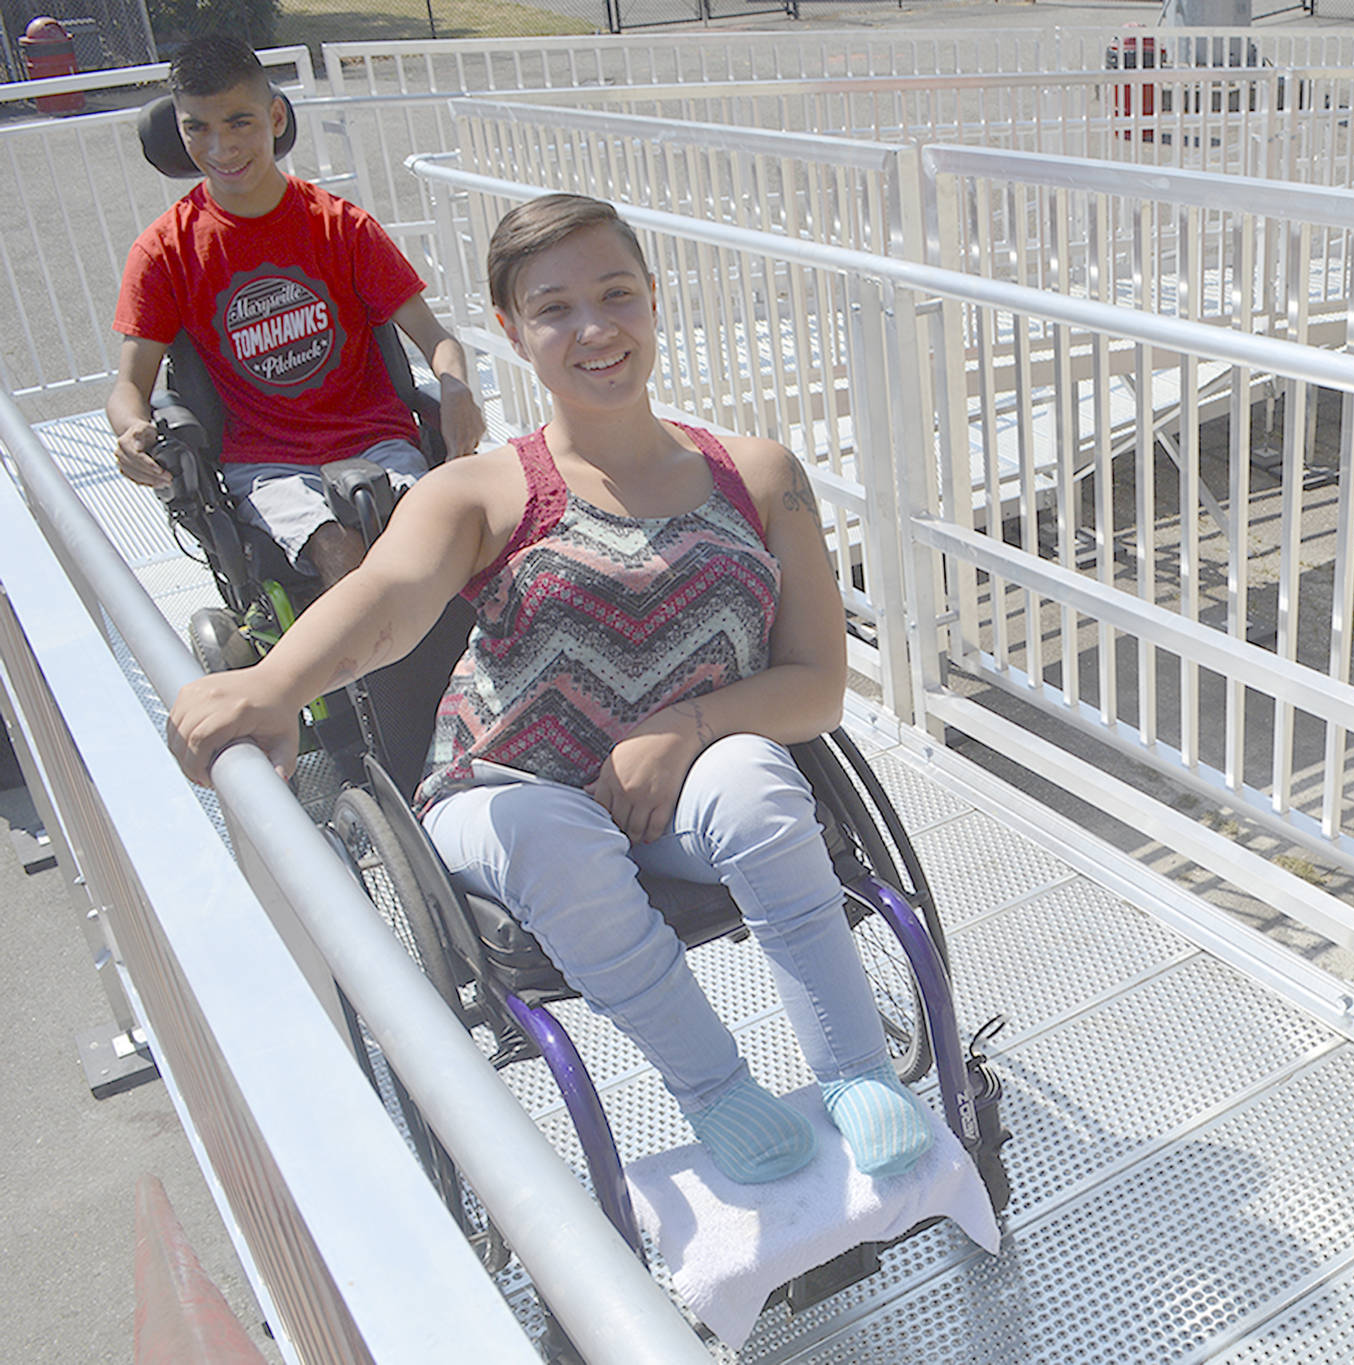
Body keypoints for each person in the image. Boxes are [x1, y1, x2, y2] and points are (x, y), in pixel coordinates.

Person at [168, 193, 933, 1184]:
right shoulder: (482, 490)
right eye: (556, 308)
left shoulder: (760, 473)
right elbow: (389, 601)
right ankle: (716, 1093)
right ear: (511, 330)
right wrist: (271, 683)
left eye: (616, 294)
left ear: (653, 299)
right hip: (504, 796)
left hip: (676, 794)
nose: (595, 329)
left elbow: (817, 687)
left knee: (751, 774)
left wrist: (682, 728)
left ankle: (856, 1072)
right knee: (554, 834)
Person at [106, 33, 488, 588]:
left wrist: (455, 387)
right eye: (198, 128)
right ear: (179, 130)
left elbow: (436, 339)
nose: (221, 147)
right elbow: (128, 385)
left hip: (377, 440)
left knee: (437, 545)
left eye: (240, 122)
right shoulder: (165, 251)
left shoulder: (344, 227)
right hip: (266, 464)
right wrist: (131, 428)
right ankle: (379, 677)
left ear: (276, 116)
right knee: (342, 556)